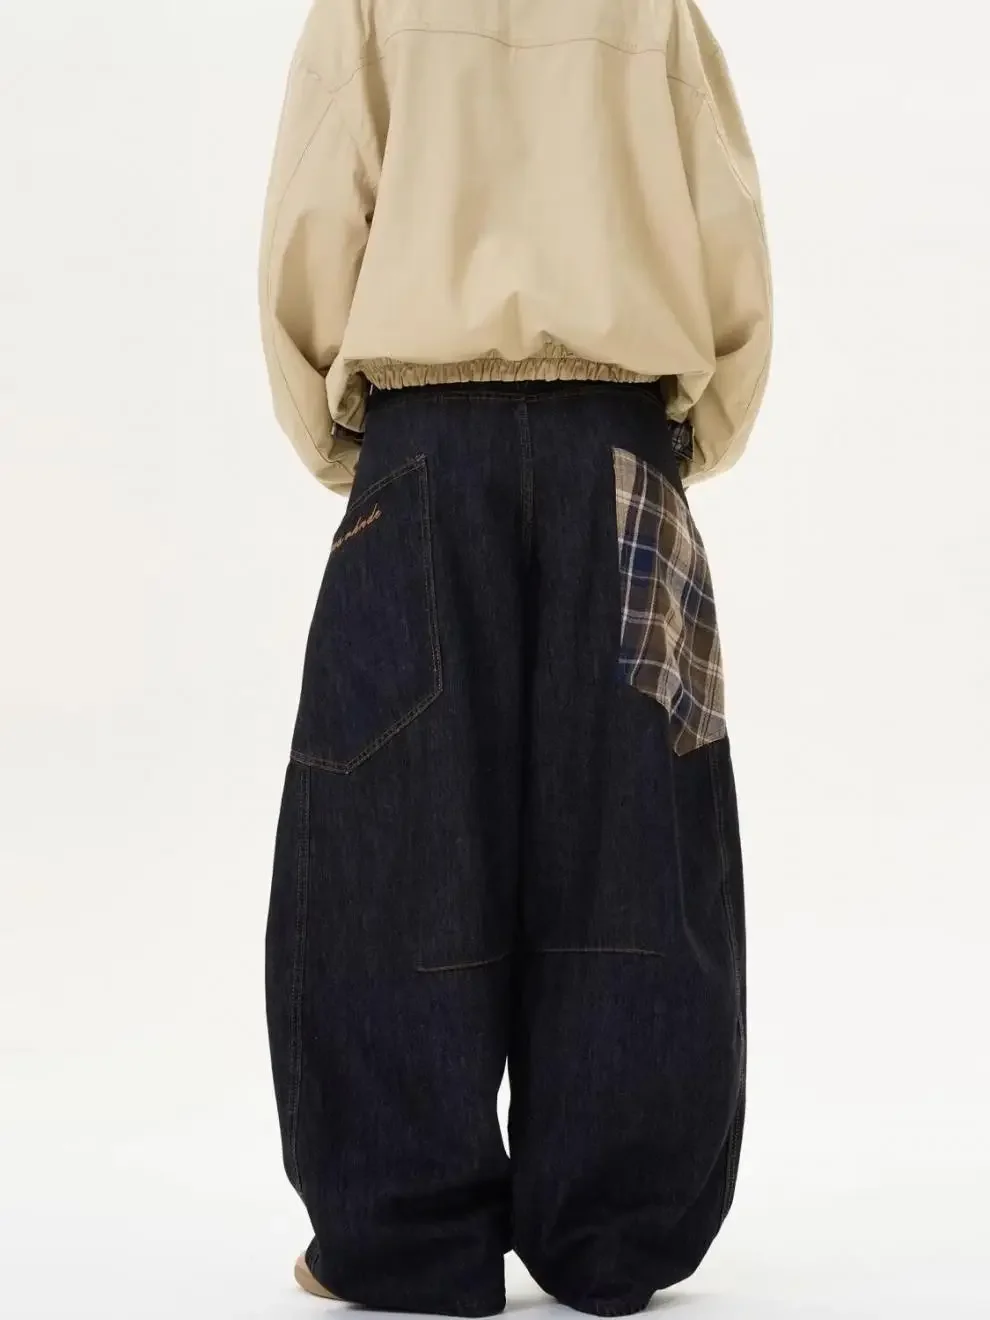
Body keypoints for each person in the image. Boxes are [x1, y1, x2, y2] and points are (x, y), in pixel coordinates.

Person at [258, 1, 771, 1314]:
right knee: (639, 837)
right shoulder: (653, 6)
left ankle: (402, 1232)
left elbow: (315, 223)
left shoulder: (372, 3)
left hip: (427, 449)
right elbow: (726, 241)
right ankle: (618, 1230)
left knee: (389, 842)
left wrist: (347, 442)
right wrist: (683, 438)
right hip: (623, 448)